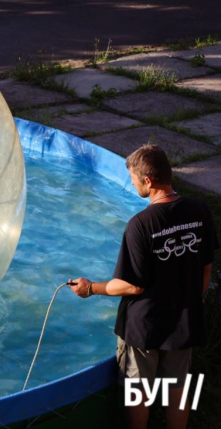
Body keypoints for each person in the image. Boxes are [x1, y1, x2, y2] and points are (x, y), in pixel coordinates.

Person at [68, 144, 218, 429]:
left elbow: (132, 286)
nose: (132, 183)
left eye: (134, 179)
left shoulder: (140, 224)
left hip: (143, 328)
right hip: (185, 320)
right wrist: (190, 304)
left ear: (148, 181)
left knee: (138, 392)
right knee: (179, 387)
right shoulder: (200, 210)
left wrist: (91, 289)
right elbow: (205, 267)